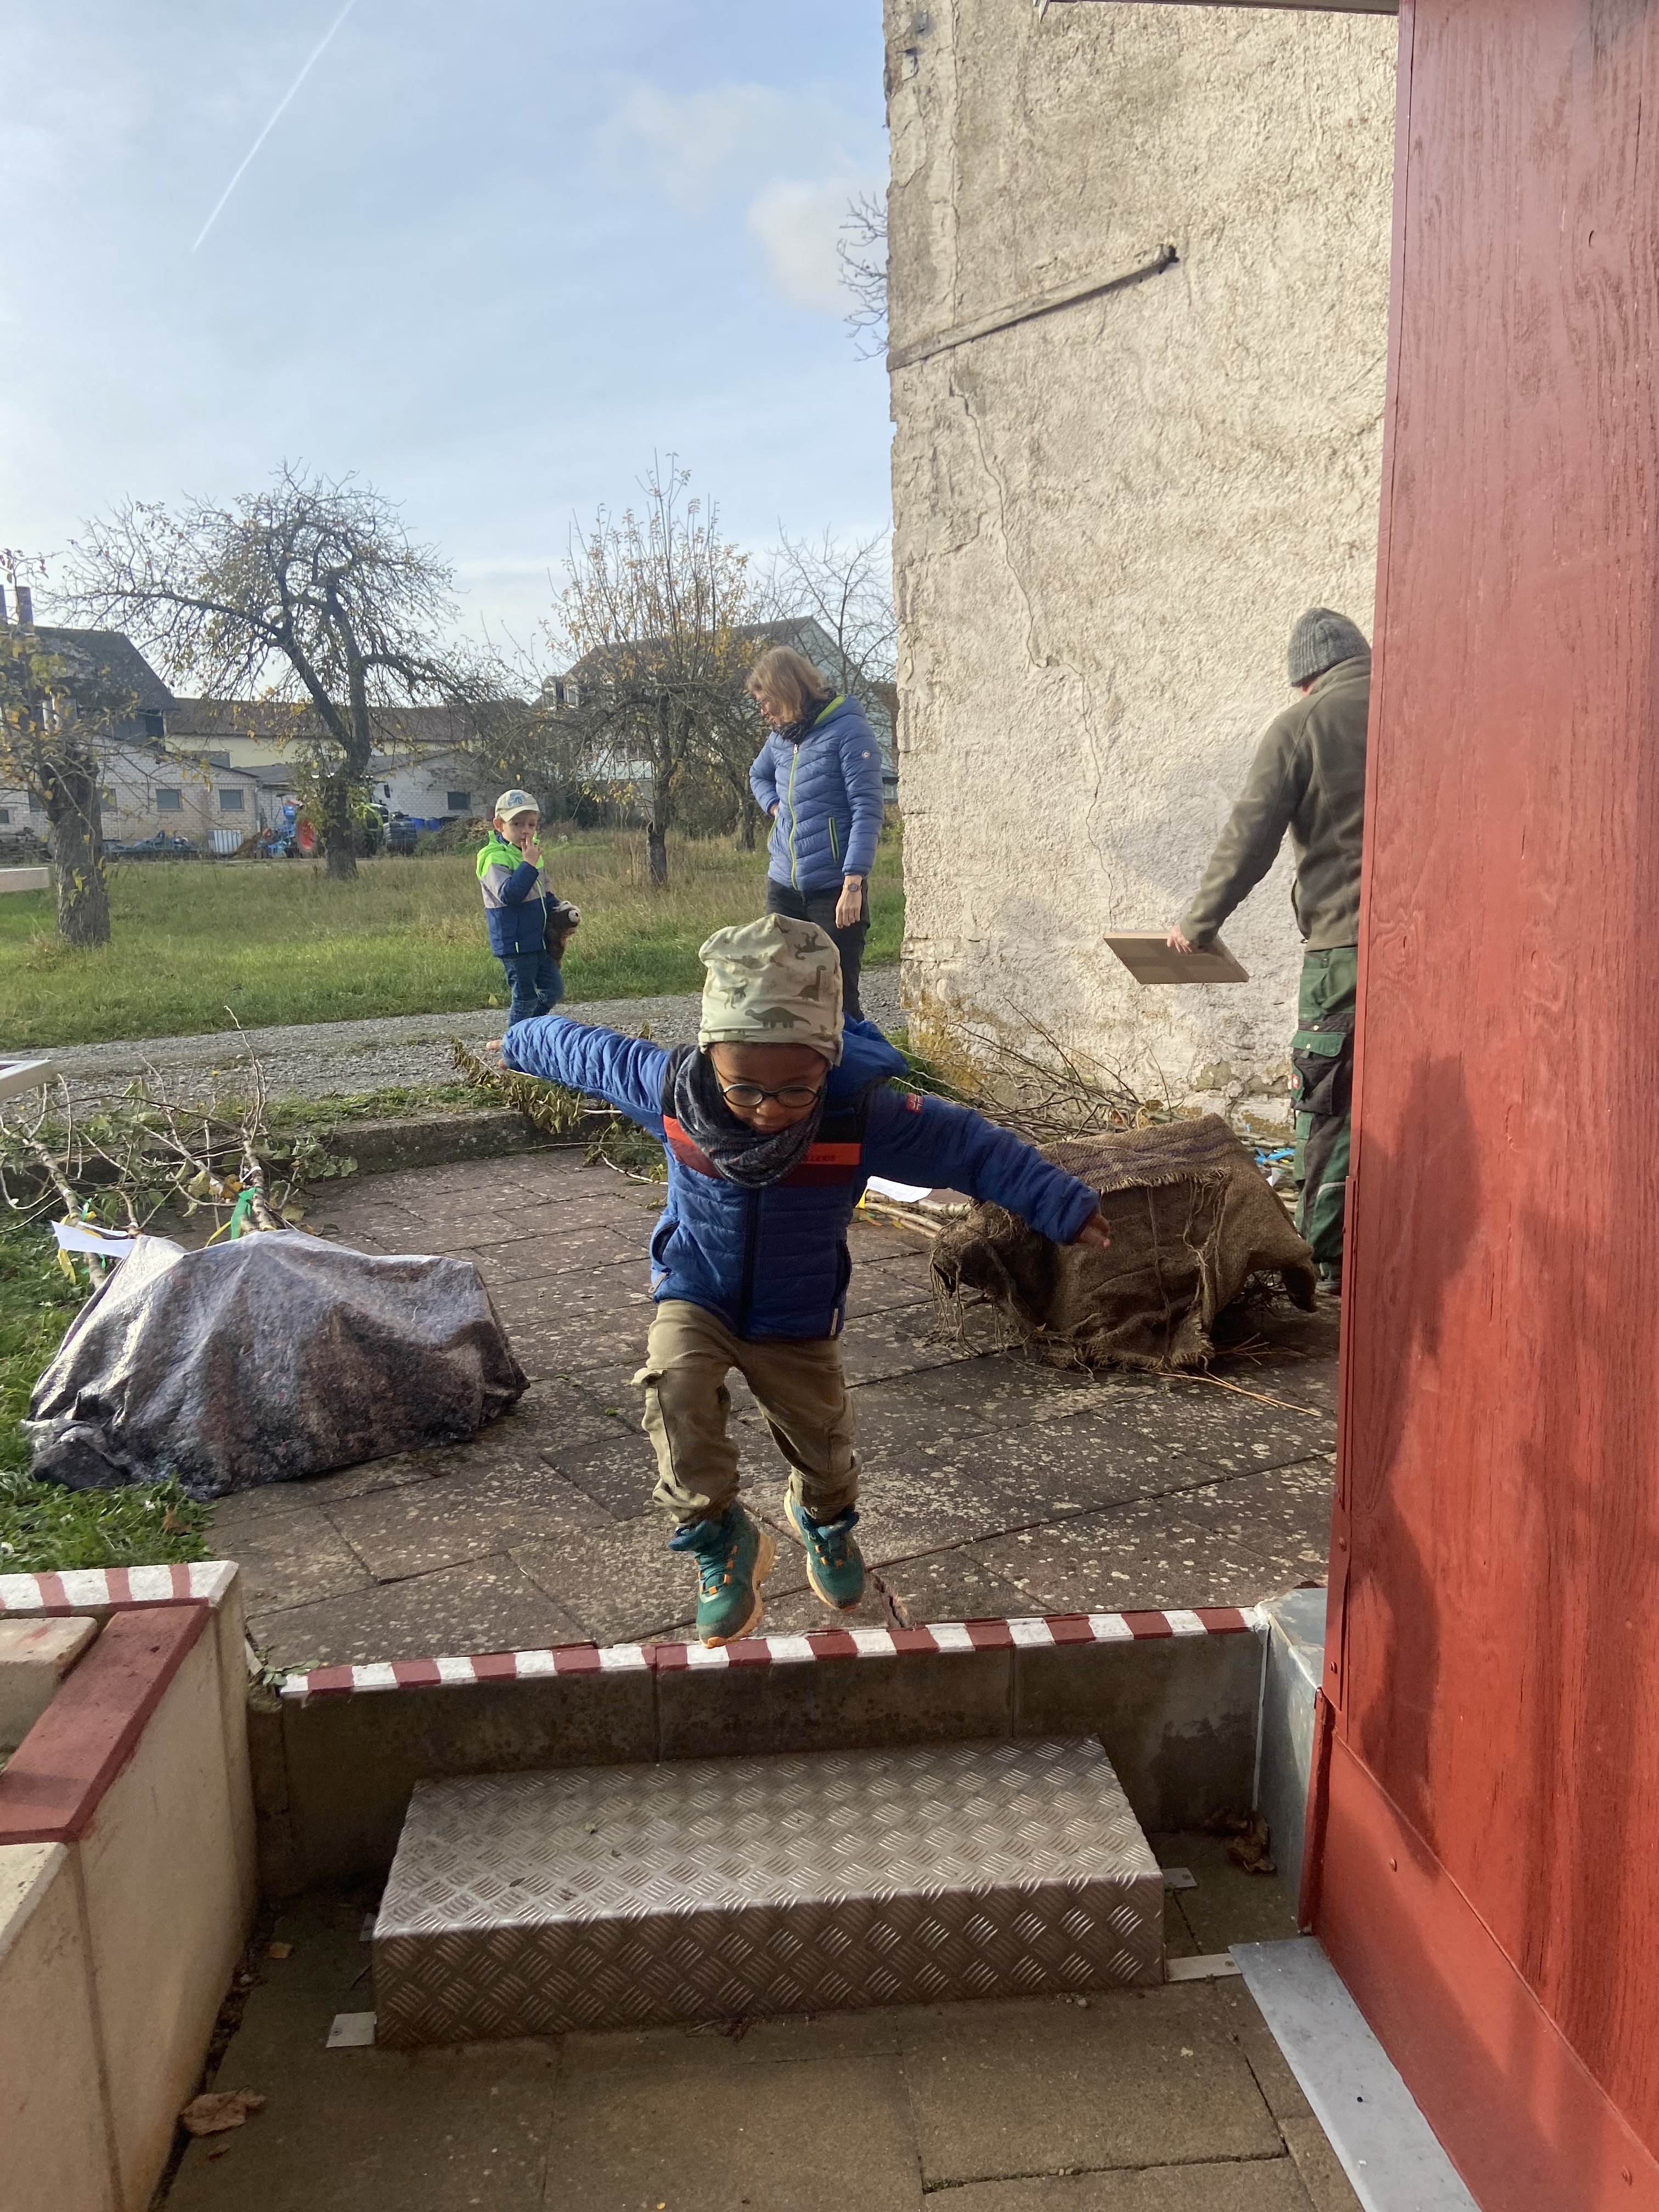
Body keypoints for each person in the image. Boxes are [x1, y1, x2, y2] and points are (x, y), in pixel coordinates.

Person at [500, 913, 1110, 1646]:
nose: (767, 1109)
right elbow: (583, 1052)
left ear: (828, 1060)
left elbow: (968, 1145)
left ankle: (821, 1524)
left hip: (797, 1314)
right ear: (709, 1057)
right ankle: (722, 1541)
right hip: (697, 1290)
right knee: (674, 1389)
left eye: (795, 1089)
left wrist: (1063, 1204)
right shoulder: (670, 1090)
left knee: (823, 1450)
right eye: (745, 1089)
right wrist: (518, 1040)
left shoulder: (860, 1116)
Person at [1167, 608, 1370, 1295]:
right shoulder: (1427, 703)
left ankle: (1324, 1265)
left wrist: (1198, 924)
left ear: (1304, 679)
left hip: (1347, 946)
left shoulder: (1304, 725)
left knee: (1328, 1100)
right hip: (1440, 949)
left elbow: (1251, 836)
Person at [747, 645, 885, 1020]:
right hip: (783, 887)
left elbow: (867, 809)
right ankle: (800, 1080)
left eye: (767, 701)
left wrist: (853, 884)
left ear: (788, 691)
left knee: (837, 999)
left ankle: (860, 1078)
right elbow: (757, 775)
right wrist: (776, 807)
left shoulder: (847, 729)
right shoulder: (781, 739)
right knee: (785, 995)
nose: (764, 712)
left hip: (834, 890)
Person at [477, 789, 579, 1029]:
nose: (526, 830)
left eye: (531, 824)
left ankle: (530, 1033)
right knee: (524, 998)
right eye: (517, 824)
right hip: (514, 943)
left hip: (539, 938)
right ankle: (514, 1047)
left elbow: (542, 892)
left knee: (553, 990)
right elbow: (509, 895)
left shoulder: (531, 853)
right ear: (499, 825)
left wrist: (560, 908)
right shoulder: (491, 857)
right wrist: (528, 864)